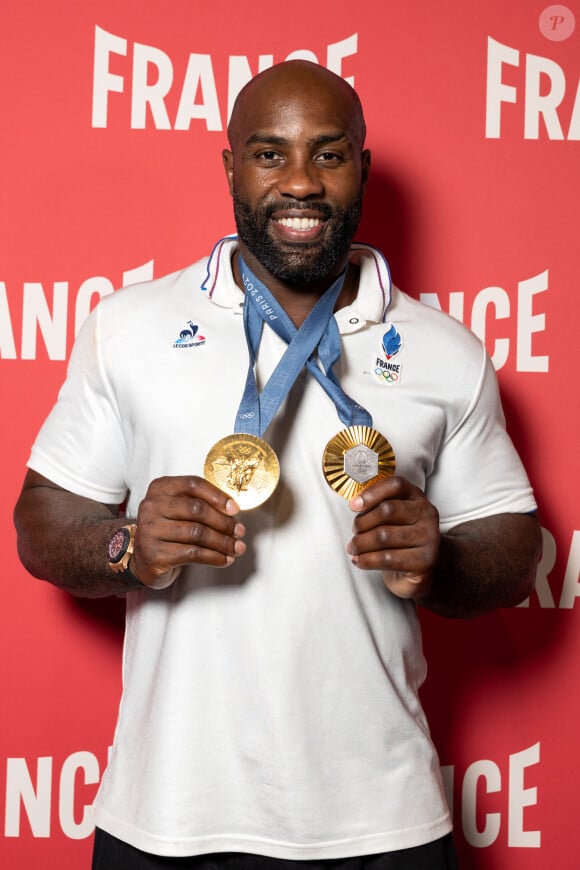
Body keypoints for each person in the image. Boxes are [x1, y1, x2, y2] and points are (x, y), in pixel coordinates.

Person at [14, 60, 541, 869]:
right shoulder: (129, 327)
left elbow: (511, 552)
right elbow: (39, 524)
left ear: (361, 167)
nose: (300, 181)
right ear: (230, 166)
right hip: (169, 815)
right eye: (269, 154)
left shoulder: (446, 351)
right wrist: (129, 547)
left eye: (328, 155)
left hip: (385, 821)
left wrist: (441, 562)